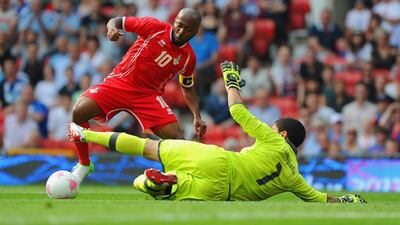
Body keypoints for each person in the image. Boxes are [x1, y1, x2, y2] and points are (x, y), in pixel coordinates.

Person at [68, 61, 366, 203]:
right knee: (145, 185)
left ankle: (85, 135)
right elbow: (319, 199)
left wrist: (232, 82)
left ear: (284, 135)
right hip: (219, 193)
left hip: (218, 160)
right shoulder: (294, 177)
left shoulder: (274, 140)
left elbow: (236, 111)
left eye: (276, 127)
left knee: (150, 149)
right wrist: (348, 200)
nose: (273, 129)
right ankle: (167, 184)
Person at [70, 8, 207, 183]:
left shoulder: (188, 57)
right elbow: (117, 21)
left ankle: (175, 179)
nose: (181, 31)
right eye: (179, 25)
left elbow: (187, 88)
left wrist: (196, 116)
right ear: (175, 21)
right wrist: (112, 28)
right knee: (79, 111)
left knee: (176, 137)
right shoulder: (154, 27)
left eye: (187, 29)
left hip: (147, 96)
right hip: (121, 82)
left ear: (195, 32)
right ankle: (83, 164)